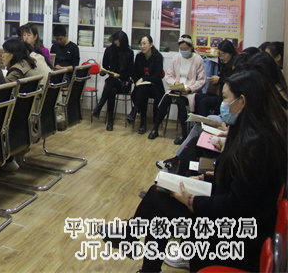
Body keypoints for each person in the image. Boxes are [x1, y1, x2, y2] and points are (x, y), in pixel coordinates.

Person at [103, 70, 287, 273]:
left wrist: (191, 201)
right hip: (232, 219)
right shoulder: (253, 133)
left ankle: (130, 236)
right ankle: (141, 257)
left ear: (242, 101)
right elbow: (237, 185)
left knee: (157, 197)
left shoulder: (257, 145)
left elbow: (235, 205)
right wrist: (208, 178)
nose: (222, 104)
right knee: (158, 204)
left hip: (237, 234)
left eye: (226, 98)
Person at [148, 35, 206, 144]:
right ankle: (155, 128)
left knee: (180, 102)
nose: (183, 51)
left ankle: (184, 133)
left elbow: (201, 80)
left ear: (191, 47)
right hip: (176, 89)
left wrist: (190, 89)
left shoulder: (198, 60)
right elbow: (168, 76)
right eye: (181, 49)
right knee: (165, 100)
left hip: (189, 92)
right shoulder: (176, 58)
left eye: (186, 49)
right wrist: (175, 83)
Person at [92, 31, 134, 131]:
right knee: (112, 90)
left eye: (118, 41)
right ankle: (110, 121)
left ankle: (100, 107)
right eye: (115, 40)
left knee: (111, 83)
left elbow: (130, 72)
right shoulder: (109, 50)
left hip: (124, 82)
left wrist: (119, 75)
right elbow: (105, 67)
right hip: (112, 82)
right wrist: (103, 72)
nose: (116, 43)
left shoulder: (129, 52)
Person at [127, 35, 164, 134]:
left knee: (142, 91)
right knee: (142, 91)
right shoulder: (139, 57)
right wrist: (137, 81)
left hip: (155, 86)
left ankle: (135, 112)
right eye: (140, 44)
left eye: (144, 44)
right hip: (142, 87)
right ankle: (142, 122)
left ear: (151, 45)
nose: (142, 46)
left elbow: (157, 76)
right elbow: (134, 73)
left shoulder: (158, 57)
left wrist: (144, 79)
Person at [194, 39, 237, 117]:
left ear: (230, 53)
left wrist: (219, 80)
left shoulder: (235, 64)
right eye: (220, 54)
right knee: (197, 97)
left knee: (204, 102)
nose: (222, 57)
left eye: (224, 54)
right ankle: (197, 121)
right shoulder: (224, 64)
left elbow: (233, 81)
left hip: (229, 96)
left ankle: (204, 123)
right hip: (220, 93)